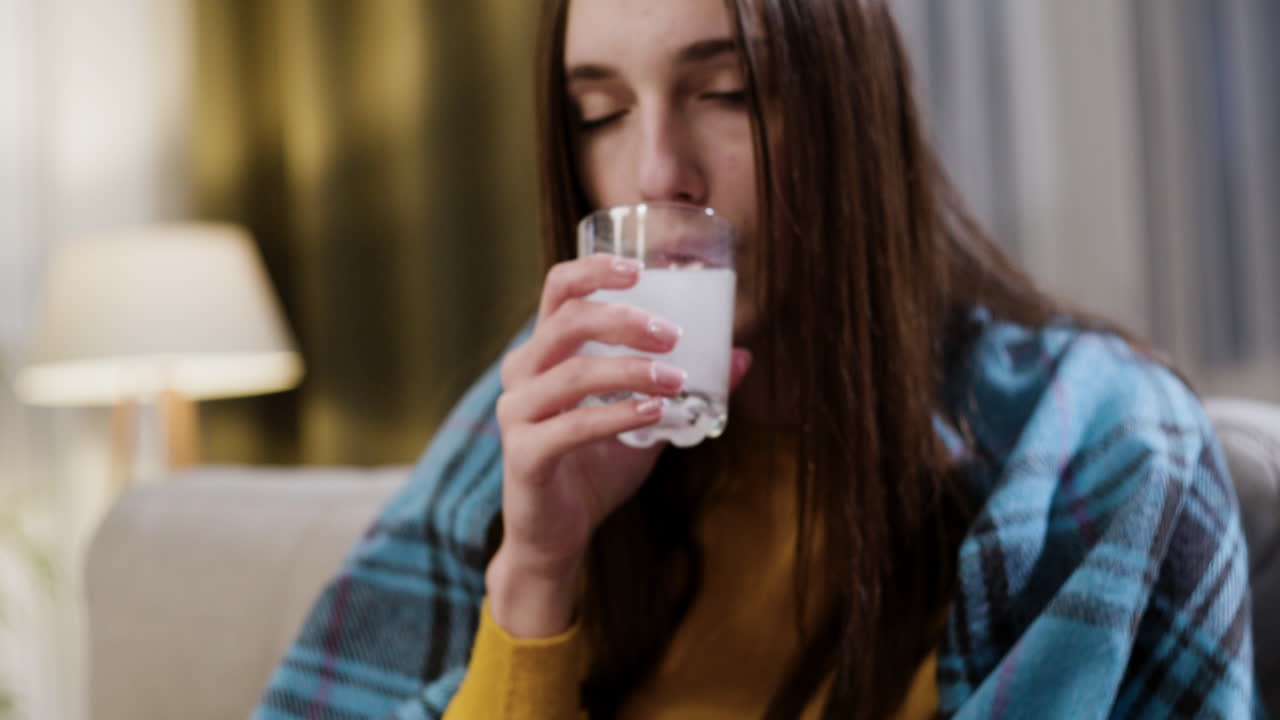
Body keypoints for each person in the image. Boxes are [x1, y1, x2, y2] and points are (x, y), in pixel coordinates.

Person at [252, 0, 1261, 718]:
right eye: (598, 114)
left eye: (727, 93)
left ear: (851, 114)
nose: (656, 174)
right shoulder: (527, 424)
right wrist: (536, 570)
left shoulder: (1097, 448)